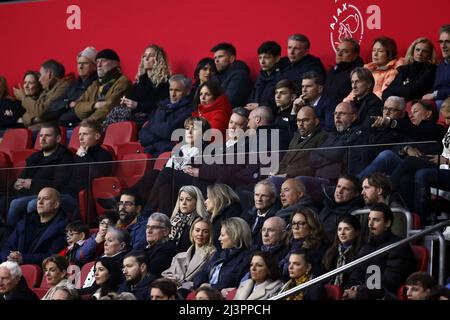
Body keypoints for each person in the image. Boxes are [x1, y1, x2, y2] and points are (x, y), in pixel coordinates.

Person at [343, 203, 416, 300]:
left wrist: (359, 291)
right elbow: (357, 272)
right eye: (369, 219)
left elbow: (389, 282)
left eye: (376, 220)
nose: (370, 224)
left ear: (388, 223)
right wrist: (350, 288)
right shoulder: (366, 247)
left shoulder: (398, 247)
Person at [4, 123, 74, 225]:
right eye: (41, 136)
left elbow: (59, 185)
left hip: (53, 195)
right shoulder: (35, 157)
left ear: (58, 139)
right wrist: (16, 184)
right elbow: (22, 178)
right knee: (3, 201)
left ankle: (23, 234)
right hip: (28, 194)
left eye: (47, 136)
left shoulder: (65, 157)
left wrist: (32, 184)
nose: (43, 139)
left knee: (20, 204)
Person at [104, 44, 170, 126]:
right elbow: (131, 98)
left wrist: (137, 105)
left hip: (149, 117)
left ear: (159, 60)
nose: (146, 58)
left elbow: (161, 105)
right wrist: (125, 101)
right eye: (145, 56)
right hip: (134, 114)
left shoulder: (165, 82)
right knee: (116, 111)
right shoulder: (141, 81)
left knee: (119, 114)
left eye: (151, 56)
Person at [1, 187, 68, 265]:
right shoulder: (25, 222)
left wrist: (24, 258)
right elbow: (7, 245)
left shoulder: (62, 228)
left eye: (45, 198)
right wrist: (9, 257)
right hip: (12, 267)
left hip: (38, 271)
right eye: (39, 199)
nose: (40, 202)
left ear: (56, 204)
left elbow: (52, 256)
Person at [138, 74, 194, 157]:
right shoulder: (161, 106)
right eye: (171, 90)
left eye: (177, 90)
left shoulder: (190, 109)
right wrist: (159, 134)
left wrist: (152, 128)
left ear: (187, 91)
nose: (173, 94)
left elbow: (169, 131)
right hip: (151, 151)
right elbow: (142, 135)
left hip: (170, 153)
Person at [193, 217, 253, 291]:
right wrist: (202, 284)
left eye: (222, 235)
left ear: (234, 235)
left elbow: (231, 282)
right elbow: (202, 272)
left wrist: (211, 287)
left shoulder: (246, 258)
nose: (219, 238)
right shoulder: (219, 253)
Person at [72, 49, 132, 122]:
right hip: (91, 126)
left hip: (107, 126)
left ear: (116, 63)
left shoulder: (123, 82)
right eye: (97, 62)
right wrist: (95, 105)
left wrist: (87, 122)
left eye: (103, 61)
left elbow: (109, 108)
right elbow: (77, 107)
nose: (99, 65)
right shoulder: (95, 84)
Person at [13, 59, 73, 129]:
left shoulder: (64, 87)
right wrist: (34, 119)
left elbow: (41, 111)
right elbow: (26, 115)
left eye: (41, 75)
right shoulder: (47, 90)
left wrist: (23, 98)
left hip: (51, 131)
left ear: (49, 74)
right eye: (25, 82)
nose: (39, 79)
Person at [272, 106, 328, 178]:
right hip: (283, 177)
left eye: (305, 120)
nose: (301, 124)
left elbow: (315, 166)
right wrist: (276, 171)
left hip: (300, 180)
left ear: (316, 121)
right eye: (298, 121)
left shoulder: (322, 137)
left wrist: (288, 174)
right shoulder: (296, 137)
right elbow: (285, 160)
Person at [162, 217, 216, 292]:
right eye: (197, 230)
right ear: (192, 232)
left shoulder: (212, 255)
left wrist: (181, 283)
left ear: (210, 235)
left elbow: (204, 281)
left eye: (205, 231)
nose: (200, 234)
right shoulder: (179, 256)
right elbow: (166, 275)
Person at [47, 46, 98, 124]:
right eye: (79, 63)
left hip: (82, 126)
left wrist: (69, 105)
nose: (80, 67)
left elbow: (88, 110)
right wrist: (68, 104)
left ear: (95, 66)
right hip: (64, 125)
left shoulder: (97, 84)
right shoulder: (74, 83)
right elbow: (53, 105)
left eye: (85, 63)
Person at [346, 37, 403, 101]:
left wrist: (362, 101)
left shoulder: (394, 72)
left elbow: (383, 94)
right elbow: (354, 92)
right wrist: (346, 102)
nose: (375, 54)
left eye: (380, 51)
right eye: (373, 50)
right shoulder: (366, 70)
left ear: (389, 53)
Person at [280, 207, 329, 279]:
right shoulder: (289, 245)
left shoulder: (319, 247)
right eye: (293, 224)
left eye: (300, 223)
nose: (296, 227)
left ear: (311, 226)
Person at [319, 174, 364, 241]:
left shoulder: (354, 213)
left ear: (356, 194)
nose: (339, 191)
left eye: (346, 189)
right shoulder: (328, 204)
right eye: (338, 186)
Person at [321, 215, 362, 287]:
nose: (342, 233)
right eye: (339, 229)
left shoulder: (361, 252)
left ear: (357, 232)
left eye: (347, 229)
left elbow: (355, 278)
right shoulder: (331, 252)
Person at [246, 41, 288, 110]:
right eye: (260, 58)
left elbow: (280, 101)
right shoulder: (261, 75)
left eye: (267, 58)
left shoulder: (283, 76)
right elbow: (252, 97)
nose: (262, 62)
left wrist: (259, 105)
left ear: (277, 58)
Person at [210, 42, 252, 109]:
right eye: (215, 58)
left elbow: (230, 102)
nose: (216, 61)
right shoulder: (215, 77)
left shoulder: (240, 75)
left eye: (220, 57)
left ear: (231, 59)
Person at [240, 180, 281, 247]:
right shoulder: (248, 212)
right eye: (257, 195)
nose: (259, 199)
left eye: (264, 196)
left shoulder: (275, 218)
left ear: (273, 199)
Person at [168, 185, 208, 253]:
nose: (183, 203)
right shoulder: (174, 219)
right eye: (181, 199)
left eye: (188, 199)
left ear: (197, 202)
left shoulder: (200, 222)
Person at [324, 38, 364, 102]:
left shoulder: (358, 73)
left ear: (355, 55)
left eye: (345, 51)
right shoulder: (332, 71)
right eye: (338, 50)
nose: (339, 54)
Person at [204, 183, 242, 248]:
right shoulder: (212, 216)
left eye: (208, 197)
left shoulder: (231, 215)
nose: (205, 202)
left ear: (217, 198)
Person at [423, 24, 450, 108]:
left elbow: (436, 93)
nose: (443, 46)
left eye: (448, 42)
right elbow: (435, 88)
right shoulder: (441, 66)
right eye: (441, 42)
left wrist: (435, 95)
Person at [144, 213, 177, 279]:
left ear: (166, 232)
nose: (149, 231)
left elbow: (148, 273)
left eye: (154, 227)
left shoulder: (167, 251)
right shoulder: (146, 247)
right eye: (147, 227)